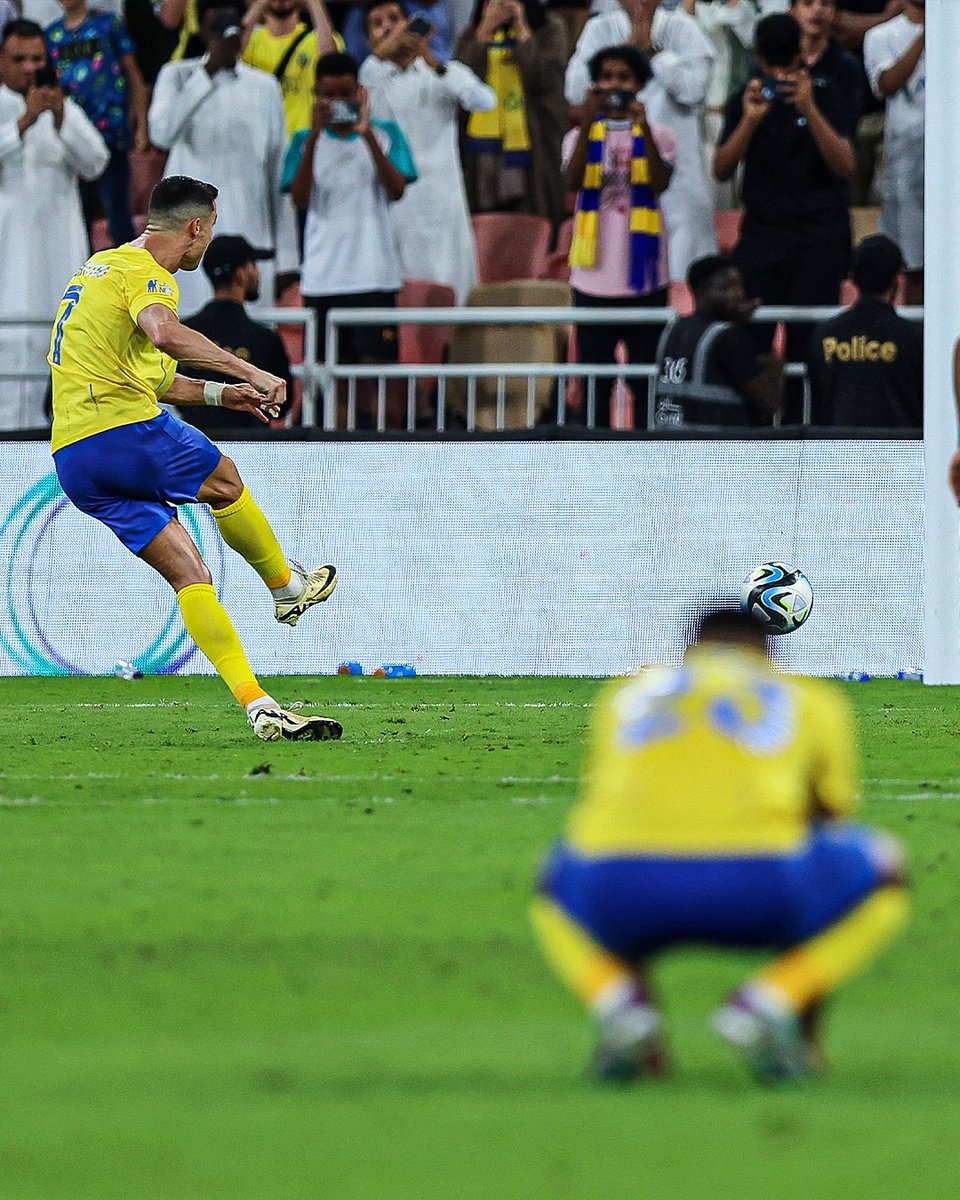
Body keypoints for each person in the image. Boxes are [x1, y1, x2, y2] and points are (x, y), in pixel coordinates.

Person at [530, 605, 909, 1084]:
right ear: (768, 652)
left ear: (691, 650)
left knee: (554, 874)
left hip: (623, 887)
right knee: (884, 866)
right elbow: (831, 813)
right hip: (759, 886)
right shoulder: (807, 698)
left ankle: (620, 1003)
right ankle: (771, 1002)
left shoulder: (629, 695)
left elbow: (604, 793)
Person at [48, 175, 341, 742]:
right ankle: (286, 588)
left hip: (76, 460)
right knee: (225, 480)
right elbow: (164, 334)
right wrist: (251, 371)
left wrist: (223, 395)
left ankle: (258, 705)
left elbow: (152, 375)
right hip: (121, 432)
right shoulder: (150, 278)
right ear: (196, 227)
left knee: (191, 574)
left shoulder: (102, 268)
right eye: (209, 232)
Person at [715, 12, 856, 422]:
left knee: (811, 349)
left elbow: (846, 164)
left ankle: (808, 443)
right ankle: (754, 443)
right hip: (763, 239)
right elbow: (722, 168)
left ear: (801, 57)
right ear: (758, 56)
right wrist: (749, 121)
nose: (778, 73)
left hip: (819, 241)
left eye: (786, 64)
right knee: (750, 347)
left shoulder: (826, 95)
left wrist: (810, 108)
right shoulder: (745, 97)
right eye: (770, 64)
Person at [148, 0, 299, 318]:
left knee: (250, 346)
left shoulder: (265, 87)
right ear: (203, 30)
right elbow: (161, 133)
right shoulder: (177, 76)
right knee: (188, 339)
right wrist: (207, 72)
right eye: (217, 25)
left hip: (250, 233)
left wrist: (287, 257)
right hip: (189, 241)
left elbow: (277, 172)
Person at [288, 52, 416, 421]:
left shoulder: (386, 134)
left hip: (374, 275)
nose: (336, 103)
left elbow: (396, 190)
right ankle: (337, 466)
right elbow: (299, 198)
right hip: (323, 278)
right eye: (328, 95)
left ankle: (390, 461)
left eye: (345, 94)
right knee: (334, 382)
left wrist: (366, 136)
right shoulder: (301, 140)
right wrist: (313, 135)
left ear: (359, 92)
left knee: (381, 378)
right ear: (315, 95)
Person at [0, 19, 109, 430]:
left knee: (63, 358)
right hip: (7, 266)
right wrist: (24, 122)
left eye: (38, 59)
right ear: (1, 61)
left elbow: (97, 162)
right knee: (10, 360)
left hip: (59, 264)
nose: (30, 68)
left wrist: (60, 114)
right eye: (19, 59)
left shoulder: (66, 112)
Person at [565, 0, 717, 283]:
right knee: (619, 272)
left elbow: (694, 92)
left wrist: (652, 51)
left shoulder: (684, 29)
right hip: (614, 175)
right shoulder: (600, 28)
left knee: (682, 273)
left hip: (676, 176)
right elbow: (574, 91)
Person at [564, 45, 674, 428]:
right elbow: (570, 181)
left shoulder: (660, 134)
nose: (615, 85)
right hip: (593, 280)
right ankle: (594, 465)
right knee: (597, 383)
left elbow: (659, 182)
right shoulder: (577, 137)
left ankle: (647, 463)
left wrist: (641, 127)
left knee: (647, 382)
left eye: (624, 78)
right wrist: (587, 122)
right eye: (607, 77)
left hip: (645, 279)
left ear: (640, 85)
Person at [360, 0, 494, 303]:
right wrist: (385, 52)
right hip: (394, 203)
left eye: (394, 19)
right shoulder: (371, 79)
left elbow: (484, 100)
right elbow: (367, 76)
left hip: (442, 203)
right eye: (378, 24)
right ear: (369, 40)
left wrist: (432, 60)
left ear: (411, 24)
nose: (388, 28)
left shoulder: (442, 72)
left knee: (452, 289)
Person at [45, 0, 150, 247]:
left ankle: (129, 275)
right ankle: (86, 276)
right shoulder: (51, 35)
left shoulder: (108, 24)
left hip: (110, 131)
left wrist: (142, 126)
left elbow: (133, 76)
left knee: (118, 213)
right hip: (72, 138)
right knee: (79, 216)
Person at [454, 0, 567, 229]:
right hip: (482, 150)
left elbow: (543, 78)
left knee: (532, 221)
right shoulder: (474, 31)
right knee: (484, 222)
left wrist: (522, 28)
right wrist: (485, 30)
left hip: (534, 144)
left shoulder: (551, 28)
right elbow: (459, 82)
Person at [178, 234, 294, 431]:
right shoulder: (264, 339)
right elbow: (282, 404)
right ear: (241, 274)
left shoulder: (184, 332)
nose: (257, 273)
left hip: (195, 444)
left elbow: (175, 391)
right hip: (252, 448)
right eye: (254, 265)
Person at [654, 254, 783, 428]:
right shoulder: (727, 337)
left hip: (671, 446)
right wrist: (775, 363)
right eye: (726, 288)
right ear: (701, 292)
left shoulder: (673, 330)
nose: (738, 294)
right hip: (719, 449)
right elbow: (769, 401)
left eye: (739, 287)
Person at [806, 234, 921, 427]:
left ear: (853, 279)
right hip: (902, 451)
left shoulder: (823, 335)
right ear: (896, 281)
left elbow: (818, 401)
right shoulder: (913, 336)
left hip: (838, 451)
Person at [863, 0, 923, 305]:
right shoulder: (881, 36)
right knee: (913, 268)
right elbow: (887, 83)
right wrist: (928, 35)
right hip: (906, 168)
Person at [681, 0, 758, 211]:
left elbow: (750, 34)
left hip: (740, 112)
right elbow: (682, 28)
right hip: (703, 115)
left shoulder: (746, 9)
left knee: (741, 191)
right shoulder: (690, 14)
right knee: (710, 193)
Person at [240, 0, 339, 142]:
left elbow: (332, 65)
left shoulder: (317, 39)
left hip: (303, 142)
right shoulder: (251, 40)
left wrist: (314, 3)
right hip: (261, 141)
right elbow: (229, 52)